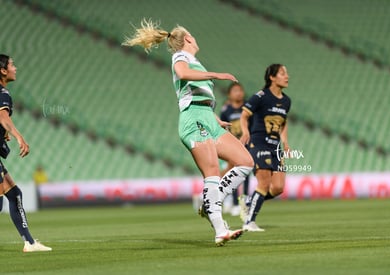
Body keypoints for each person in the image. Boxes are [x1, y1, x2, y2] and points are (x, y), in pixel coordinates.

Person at [123, 19, 254, 246]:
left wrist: (215, 119)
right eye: (193, 35)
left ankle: (210, 202)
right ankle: (220, 229)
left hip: (207, 119)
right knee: (212, 171)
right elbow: (182, 74)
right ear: (188, 39)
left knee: (245, 161)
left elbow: (196, 95)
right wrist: (217, 75)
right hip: (193, 119)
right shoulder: (181, 57)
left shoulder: (196, 62)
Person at [0, 54, 52, 252]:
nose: (15, 68)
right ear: (3, 71)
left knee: (14, 194)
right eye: (12, 65)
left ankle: (30, 243)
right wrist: (19, 136)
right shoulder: (2, 93)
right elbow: (2, 115)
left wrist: (3, 133)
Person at [239, 64, 291, 232]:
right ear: (272, 77)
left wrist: (285, 142)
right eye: (283, 73)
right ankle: (249, 222)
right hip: (259, 142)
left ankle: (249, 201)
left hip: (275, 146)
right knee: (264, 182)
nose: (287, 76)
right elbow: (244, 115)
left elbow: (283, 122)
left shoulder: (286, 101)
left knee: (277, 188)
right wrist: (246, 132)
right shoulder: (260, 97)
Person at [219, 83, 251, 216]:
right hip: (233, 145)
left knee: (246, 173)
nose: (238, 93)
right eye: (235, 90)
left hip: (247, 143)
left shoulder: (248, 107)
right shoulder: (226, 110)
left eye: (240, 90)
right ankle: (234, 203)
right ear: (229, 94)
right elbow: (222, 127)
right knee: (233, 173)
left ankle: (244, 201)